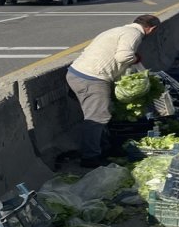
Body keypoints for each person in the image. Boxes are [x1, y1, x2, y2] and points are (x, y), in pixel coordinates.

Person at [65, 14, 161, 167]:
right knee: (97, 118)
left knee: (98, 114)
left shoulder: (119, 30)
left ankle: (103, 149)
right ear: (152, 29)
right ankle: (90, 158)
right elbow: (123, 56)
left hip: (78, 73)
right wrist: (136, 59)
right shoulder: (134, 34)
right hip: (92, 78)